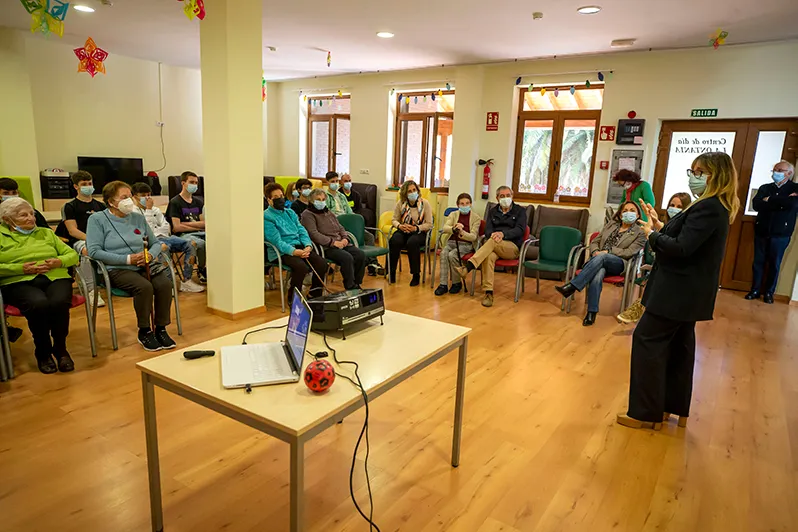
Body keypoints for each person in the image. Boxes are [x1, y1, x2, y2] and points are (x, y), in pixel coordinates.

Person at [619, 151, 739, 431]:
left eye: (700, 173)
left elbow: (682, 249)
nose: (693, 178)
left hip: (677, 290)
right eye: (692, 171)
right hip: (688, 292)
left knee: (647, 340)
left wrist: (651, 234)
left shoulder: (708, 206)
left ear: (716, 175)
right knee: (679, 347)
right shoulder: (712, 205)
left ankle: (644, 413)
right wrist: (660, 226)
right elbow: (687, 238)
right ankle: (671, 408)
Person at [87, 181, 176, 352]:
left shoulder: (138, 217)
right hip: (116, 268)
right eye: (124, 197)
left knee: (165, 284)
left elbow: (155, 243)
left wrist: (149, 255)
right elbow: (94, 251)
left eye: (130, 196)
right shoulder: (97, 219)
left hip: (144, 264)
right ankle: (145, 331)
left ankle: (161, 329)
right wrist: (128, 259)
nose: (129, 201)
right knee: (144, 287)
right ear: (111, 201)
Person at [0, 198, 79, 373]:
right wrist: (19, 268)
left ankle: (60, 349)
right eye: (23, 215)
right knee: (38, 303)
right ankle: (43, 351)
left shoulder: (46, 233)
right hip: (18, 281)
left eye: (31, 214)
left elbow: (73, 255)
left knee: (59, 301)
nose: (31, 218)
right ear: (7, 219)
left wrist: (57, 262)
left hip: (54, 276)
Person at [555, 201, 646, 326]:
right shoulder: (611, 225)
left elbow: (630, 252)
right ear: (620, 214)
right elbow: (595, 241)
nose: (628, 213)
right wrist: (596, 251)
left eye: (632, 210)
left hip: (619, 263)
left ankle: (573, 286)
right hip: (598, 261)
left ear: (637, 215)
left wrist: (607, 252)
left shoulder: (640, 232)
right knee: (598, 274)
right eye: (625, 210)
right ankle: (591, 312)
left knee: (603, 258)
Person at [616, 192, 692, 324]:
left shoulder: (688, 228)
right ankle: (642, 304)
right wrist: (655, 224)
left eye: (679, 206)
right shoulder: (670, 225)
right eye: (672, 205)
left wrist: (650, 233)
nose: (674, 209)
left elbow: (675, 245)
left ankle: (641, 304)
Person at [454, 186, 525, 307]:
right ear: (497, 198)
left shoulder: (520, 211)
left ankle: (469, 267)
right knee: (489, 256)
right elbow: (487, 230)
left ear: (512, 196)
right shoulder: (493, 211)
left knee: (491, 241)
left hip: (512, 247)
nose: (505, 198)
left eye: (508, 195)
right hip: (494, 245)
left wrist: (503, 234)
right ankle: (488, 293)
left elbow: (520, 230)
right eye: (502, 196)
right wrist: (494, 235)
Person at [131, 183, 205, 293]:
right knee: (163, 248)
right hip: (150, 242)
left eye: (149, 195)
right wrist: (149, 210)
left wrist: (157, 229)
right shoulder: (133, 213)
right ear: (134, 197)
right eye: (143, 195)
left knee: (192, 244)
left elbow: (167, 227)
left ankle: (187, 280)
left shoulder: (156, 210)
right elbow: (146, 232)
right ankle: (168, 285)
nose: (147, 198)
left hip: (166, 237)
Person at [746, 160, 798, 304]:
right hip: (762, 230)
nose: (776, 172)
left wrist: (770, 200)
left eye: (780, 170)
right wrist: (781, 202)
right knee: (758, 262)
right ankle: (755, 290)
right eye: (775, 169)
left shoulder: (795, 188)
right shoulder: (765, 188)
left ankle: (769, 293)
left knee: (774, 264)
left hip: (781, 233)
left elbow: (793, 204)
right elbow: (756, 204)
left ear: (789, 173)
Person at [263, 183, 327, 300]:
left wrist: (308, 245)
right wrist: (294, 252)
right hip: (280, 251)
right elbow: (277, 241)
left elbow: (302, 231)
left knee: (321, 263)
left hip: (299, 246)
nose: (280, 199)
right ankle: (293, 299)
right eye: (276, 198)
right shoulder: (266, 217)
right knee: (301, 267)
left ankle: (314, 294)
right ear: (269, 200)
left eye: (281, 196)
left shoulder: (290, 212)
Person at [58, 170, 107, 307]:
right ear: (76, 187)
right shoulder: (70, 206)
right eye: (84, 184)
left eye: (90, 183)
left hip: (100, 238)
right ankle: (91, 291)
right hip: (80, 240)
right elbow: (72, 230)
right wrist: (92, 240)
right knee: (87, 251)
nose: (88, 186)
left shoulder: (100, 206)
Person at [301, 189, 365, 290]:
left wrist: (345, 238)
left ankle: (357, 283)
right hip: (326, 247)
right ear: (311, 201)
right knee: (347, 258)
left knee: (360, 255)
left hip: (341, 243)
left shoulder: (328, 212)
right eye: (318, 199)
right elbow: (313, 234)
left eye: (323, 199)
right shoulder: (307, 214)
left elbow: (340, 227)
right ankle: (350, 286)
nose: (321, 202)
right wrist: (333, 242)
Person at [435, 193, 481, 296]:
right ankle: (443, 284)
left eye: (467, 203)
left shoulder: (476, 218)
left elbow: (473, 237)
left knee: (453, 255)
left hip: (466, 244)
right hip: (451, 242)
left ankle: (456, 283)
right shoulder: (453, 215)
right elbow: (445, 227)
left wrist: (462, 232)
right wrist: (454, 228)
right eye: (462, 203)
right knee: (444, 253)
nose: (465, 206)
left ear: (470, 204)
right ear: (458, 205)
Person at [389, 180, 432, 287]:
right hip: (403, 229)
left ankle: (416, 275)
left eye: (414, 190)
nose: (412, 193)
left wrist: (416, 228)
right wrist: (400, 226)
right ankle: (391, 271)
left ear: (417, 191)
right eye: (409, 191)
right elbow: (394, 220)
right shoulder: (401, 203)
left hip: (419, 231)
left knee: (412, 242)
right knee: (394, 240)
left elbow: (429, 224)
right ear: (405, 194)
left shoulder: (425, 203)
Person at [167, 171, 206, 283]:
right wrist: (196, 226)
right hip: (183, 235)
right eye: (191, 182)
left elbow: (204, 224)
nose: (194, 185)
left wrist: (185, 224)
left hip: (200, 233)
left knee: (216, 241)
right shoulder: (175, 202)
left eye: (196, 183)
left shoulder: (198, 202)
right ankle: (201, 269)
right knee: (200, 244)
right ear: (183, 183)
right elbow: (177, 228)